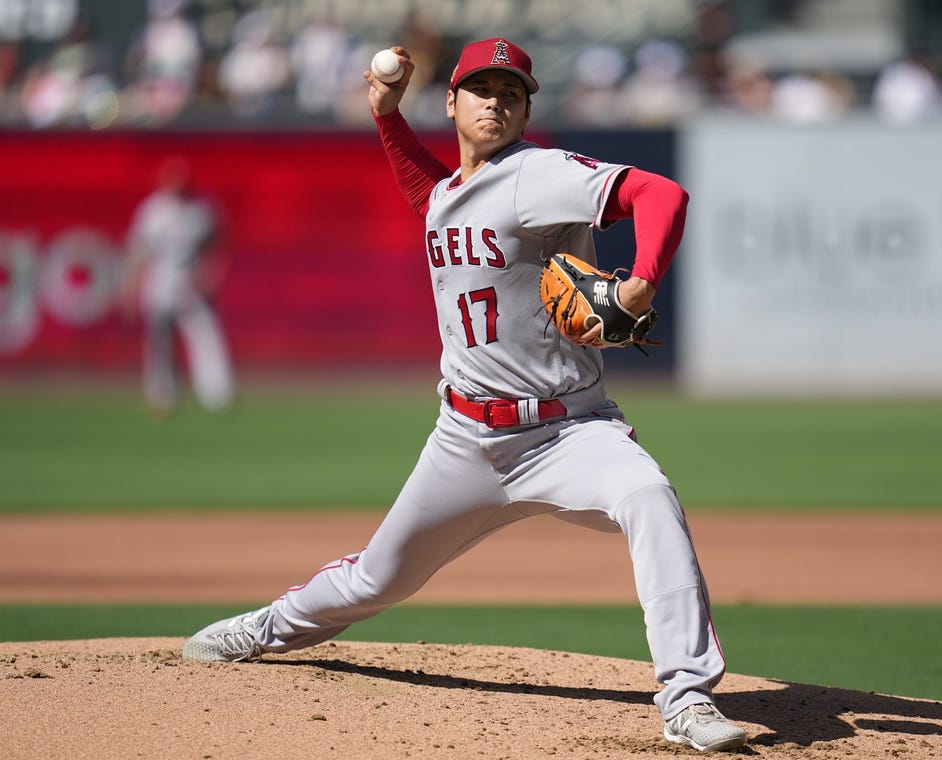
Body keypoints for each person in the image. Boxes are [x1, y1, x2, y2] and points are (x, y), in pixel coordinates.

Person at [182, 38, 747, 752]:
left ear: (526, 109)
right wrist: (387, 118)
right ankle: (266, 627)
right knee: (373, 582)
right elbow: (429, 194)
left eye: (511, 93)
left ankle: (687, 696)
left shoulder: (539, 173)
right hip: (465, 441)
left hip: (569, 433)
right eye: (481, 89)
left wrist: (640, 280)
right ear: (450, 103)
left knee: (648, 496)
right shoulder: (448, 192)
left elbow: (661, 194)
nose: (496, 102)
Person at [123, 156, 235, 414]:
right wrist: (131, 287)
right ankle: (162, 392)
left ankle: (217, 393)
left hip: (191, 283)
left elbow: (219, 245)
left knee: (205, 335)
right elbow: (138, 252)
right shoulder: (152, 211)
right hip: (159, 282)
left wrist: (211, 274)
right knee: (159, 342)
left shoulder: (202, 210)